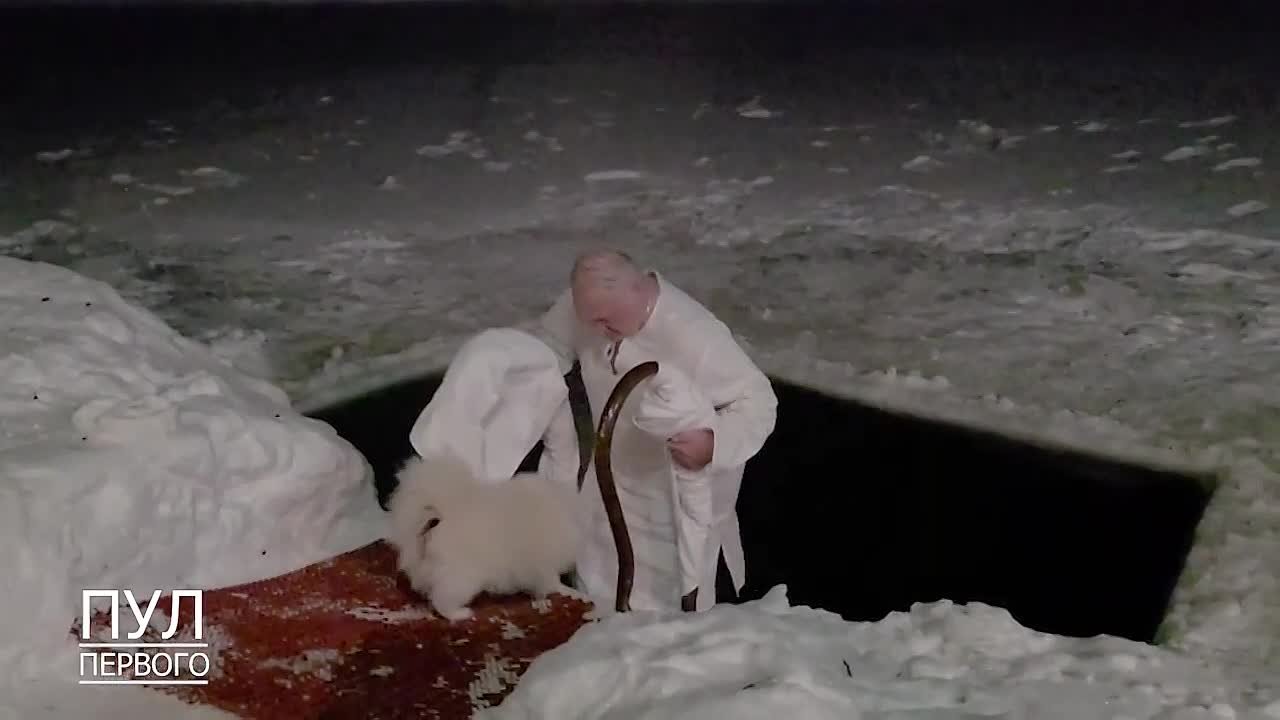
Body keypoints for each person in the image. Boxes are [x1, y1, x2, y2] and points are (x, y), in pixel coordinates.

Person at [527, 249, 778, 611]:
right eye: (589, 321)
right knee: (600, 587)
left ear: (638, 290)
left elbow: (757, 402)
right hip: (607, 486)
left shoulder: (694, 336)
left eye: (606, 321)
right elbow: (550, 343)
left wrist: (712, 445)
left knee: (668, 605)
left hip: (669, 504)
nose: (597, 331)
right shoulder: (588, 305)